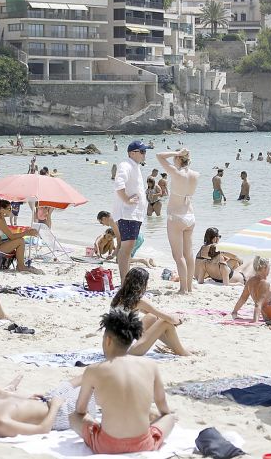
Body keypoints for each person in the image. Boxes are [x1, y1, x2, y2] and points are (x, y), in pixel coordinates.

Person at [68, 309, 176, 454]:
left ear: (108, 340)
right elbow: (164, 409)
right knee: (169, 417)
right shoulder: (150, 365)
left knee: (74, 417)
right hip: (144, 444)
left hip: (106, 446)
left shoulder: (93, 370)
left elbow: (80, 410)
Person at [109, 268, 189, 356]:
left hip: (112, 347)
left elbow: (152, 313)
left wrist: (166, 318)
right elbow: (167, 318)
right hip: (127, 351)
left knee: (152, 317)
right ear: (142, 284)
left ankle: (175, 347)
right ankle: (181, 351)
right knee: (165, 323)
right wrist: (178, 320)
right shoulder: (139, 300)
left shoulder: (120, 296)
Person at [156, 150, 198, 294]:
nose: (173, 160)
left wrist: (176, 151)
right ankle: (190, 287)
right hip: (190, 216)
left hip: (176, 216)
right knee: (189, 254)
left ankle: (183, 289)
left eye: (175, 158)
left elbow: (159, 155)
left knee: (178, 256)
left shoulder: (175, 172)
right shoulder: (195, 175)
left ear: (179, 159)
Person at [113, 141, 148, 283]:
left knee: (129, 246)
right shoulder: (125, 165)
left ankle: (125, 280)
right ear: (132, 153)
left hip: (134, 214)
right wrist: (126, 200)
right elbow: (118, 184)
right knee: (126, 247)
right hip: (128, 213)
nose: (145, 154)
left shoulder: (135, 166)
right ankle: (123, 281)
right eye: (142, 151)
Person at [0, 198, 41, 274]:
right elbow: (12, 237)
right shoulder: (0, 220)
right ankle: (21, 266)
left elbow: (7, 236)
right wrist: (27, 233)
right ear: (2, 209)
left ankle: (20, 265)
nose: (11, 210)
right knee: (20, 241)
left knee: (18, 240)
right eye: (9, 209)